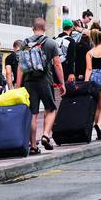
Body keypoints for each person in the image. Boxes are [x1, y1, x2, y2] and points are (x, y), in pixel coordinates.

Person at [16, 18, 66, 155]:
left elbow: (20, 67)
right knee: (50, 109)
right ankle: (45, 135)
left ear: (33, 28)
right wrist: (62, 83)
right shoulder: (50, 43)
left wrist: (18, 87)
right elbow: (57, 64)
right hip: (45, 80)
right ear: (44, 28)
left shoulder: (25, 43)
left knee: (33, 113)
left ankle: (33, 146)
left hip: (28, 82)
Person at [55, 19, 77, 83]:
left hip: (55, 68)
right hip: (65, 69)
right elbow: (71, 58)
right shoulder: (71, 41)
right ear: (71, 28)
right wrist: (71, 73)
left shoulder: (55, 39)